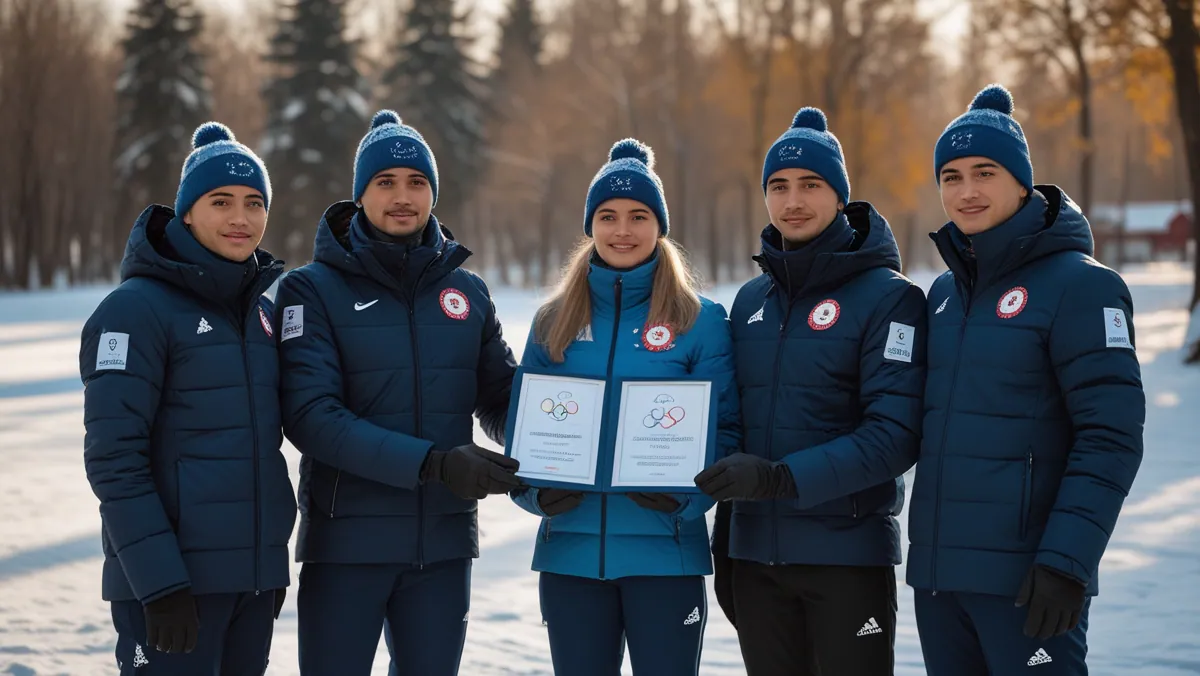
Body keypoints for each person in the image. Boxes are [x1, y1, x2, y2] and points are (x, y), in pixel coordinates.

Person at [906, 84, 1145, 676]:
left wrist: (1067, 560)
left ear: (1021, 182)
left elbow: (1110, 436)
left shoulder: (1083, 287)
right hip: (939, 582)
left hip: (1029, 581)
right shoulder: (943, 294)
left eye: (984, 172)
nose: (966, 191)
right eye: (951, 176)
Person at [276, 110, 522, 676]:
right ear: (360, 194)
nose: (402, 196)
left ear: (434, 192)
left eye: (416, 182)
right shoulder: (310, 290)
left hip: (442, 546)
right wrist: (434, 465)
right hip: (347, 546)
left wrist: (554, 446)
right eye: (385, 182)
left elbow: (500, 395)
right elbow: (312, 416)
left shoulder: (467, 291)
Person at [693, 107, 927, 676]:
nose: (793, 200)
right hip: (754, 562)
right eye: (778, 186)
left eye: (810, 185)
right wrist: (728, 543)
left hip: (845, 558)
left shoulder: (889, 299)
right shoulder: (750, 302)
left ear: (840, 196)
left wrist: (781, 480)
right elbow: (731, 426)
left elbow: (894, 435)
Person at [509, 138, 741, 676]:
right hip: (569, 552)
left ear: (659, 226)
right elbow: (525, 434)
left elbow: (727, 429)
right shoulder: (552, 321)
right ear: (590, 226)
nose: (623, 230)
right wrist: (533, 492)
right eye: (608, 216)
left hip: (666, 553)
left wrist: (689, 496)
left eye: (639, 216)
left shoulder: (700, 320)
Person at [79, 122, 294, 675]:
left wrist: (267, 566)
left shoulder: (261, 315)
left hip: (249, 585)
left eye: (254, 203)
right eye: (220, 201)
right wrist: (159, 583)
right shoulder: (134, 311)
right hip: (171, 592)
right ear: (187, 212)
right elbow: (113, 459)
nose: (241, 218)